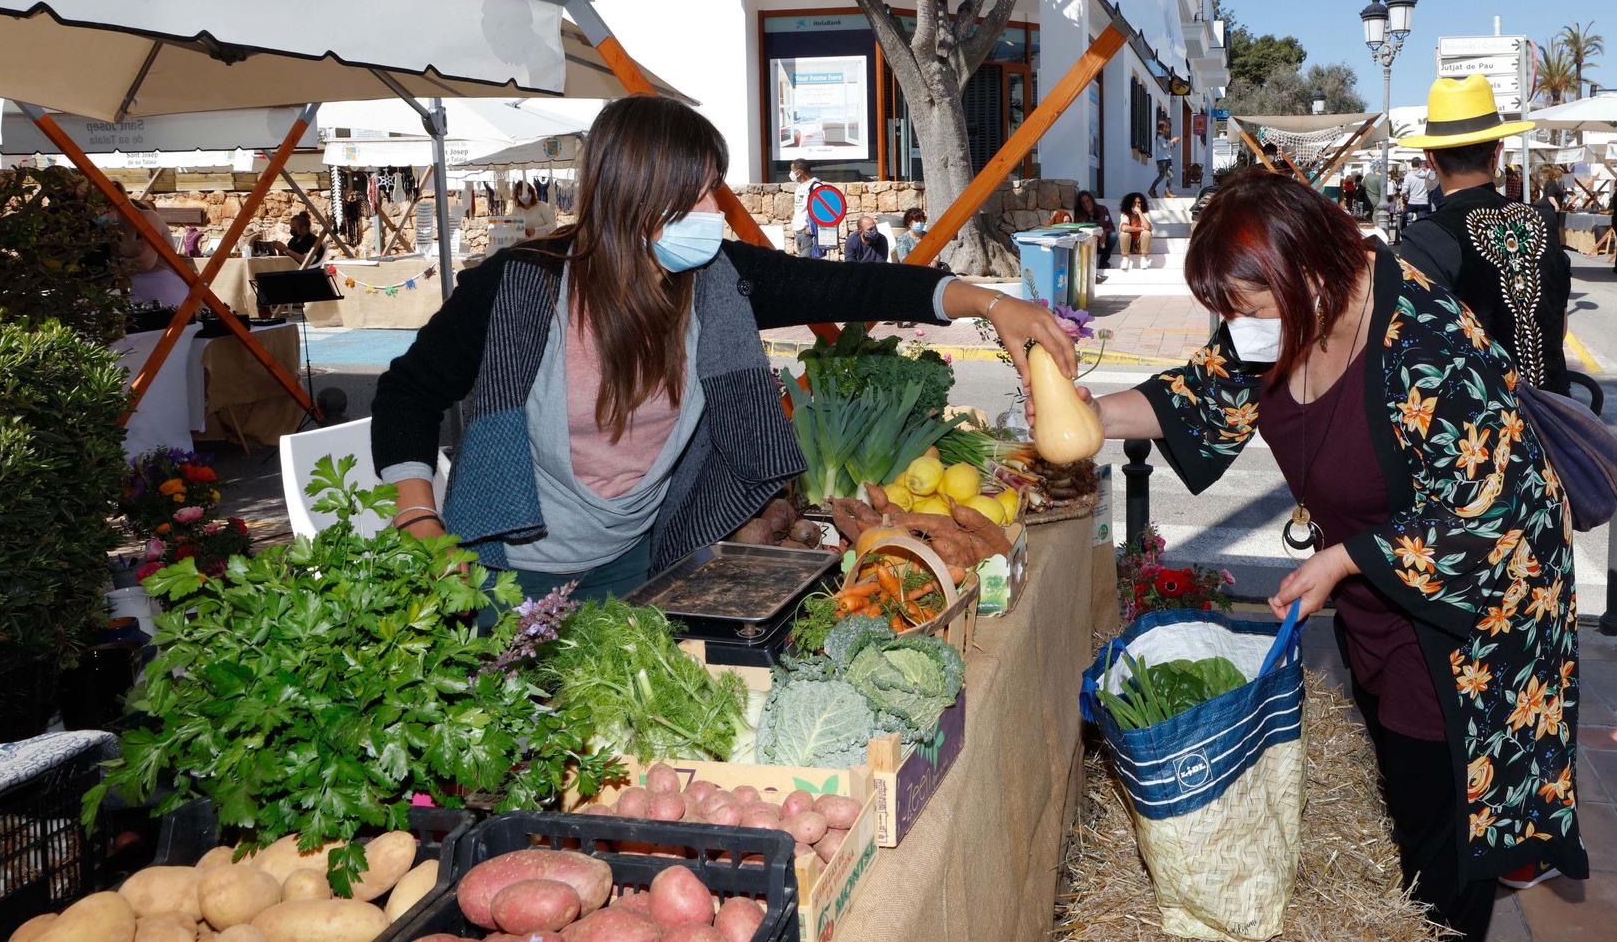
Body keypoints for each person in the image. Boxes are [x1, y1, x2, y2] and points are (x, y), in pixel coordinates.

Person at [1069, 171, 1585, 942]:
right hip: (1380, 601)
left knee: (1446, 829)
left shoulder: (1424, 335)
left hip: (1471, 625)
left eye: (1245, 305)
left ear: (1304, 270)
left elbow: (1497, 514)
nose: (1237, 329)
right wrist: (1084, 412)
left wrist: (1347, 557)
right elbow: (1190, 395)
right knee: (1406, 787)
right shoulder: (1276, 327)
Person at [372, 95, 1075, 603]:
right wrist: (418, 516)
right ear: (633, 197)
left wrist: (989, 301)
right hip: (500, 571)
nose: (716, 210)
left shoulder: (716, 284)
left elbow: (849, 286)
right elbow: (409, 390)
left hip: (636, 563)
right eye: (698, 192)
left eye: (714, 187)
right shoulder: (519, 291)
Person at [1397, 75, 1571, 396]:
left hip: (1477, 438)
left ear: (1430, 157)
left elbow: (1417, 356)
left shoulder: (1425, 240)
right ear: (1497, 152)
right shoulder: (1542, 221)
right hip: (1553, 424)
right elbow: (1557, 327)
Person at [788, 158, 826, 259]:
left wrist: (812, 228)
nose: (790, 174)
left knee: (804, 267)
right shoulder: (799, 187)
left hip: (808, 234)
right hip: (798, 233)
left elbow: (823, 210)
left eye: (792, 170)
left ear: (799, 172)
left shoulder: (815, 186)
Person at [1070, 190, 1115, 271]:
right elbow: (1080, 230)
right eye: (1083, 203)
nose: (1086, 204)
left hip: (1103, 243)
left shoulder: (1103, 209)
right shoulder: (1079, 214)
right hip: (1089, 242)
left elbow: (1111, 227)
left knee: (1113, 236)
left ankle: (1103, 263)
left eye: (1088, 201)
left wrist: (1104, 232)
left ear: (1092, 200)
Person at [1118, 192, 1153, 269]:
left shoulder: (1145, 214)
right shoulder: (1125, 214)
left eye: (1139, 202)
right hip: (1129, 245)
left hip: (1140, 244)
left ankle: (1143, 259)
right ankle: (1125, 259)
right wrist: (1141, 228)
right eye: (1134, 203)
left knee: (1147, 233)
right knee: (1124, 234)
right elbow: (1124, 228)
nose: (1137, 205)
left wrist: (1140, 212)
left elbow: (1148, 227)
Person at [1402, 159, 1434, 225]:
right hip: (1423, 202)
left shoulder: (1408, 176)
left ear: (1411, 164)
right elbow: (1430, 188)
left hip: (1412, 202)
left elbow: (1404, 191)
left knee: (1404, 217)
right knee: (1421, 222)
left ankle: (1404, 232)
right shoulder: (1426, 175)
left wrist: (1404, 197)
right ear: (1419, 164)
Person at [1151, 121, 1178, 199]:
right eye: (1167, 127)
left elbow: (1168, 147)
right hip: (1163, 160)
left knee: (1163, 176)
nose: (1169, 129)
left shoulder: (1163, 137)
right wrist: (1173, 140)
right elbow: (1166, 146)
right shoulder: (1160, 136)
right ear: (1163, 128)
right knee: (1169, 175)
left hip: (1166, 159)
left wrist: (1174, 142)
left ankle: (1154, 190)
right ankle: (1166, 191)